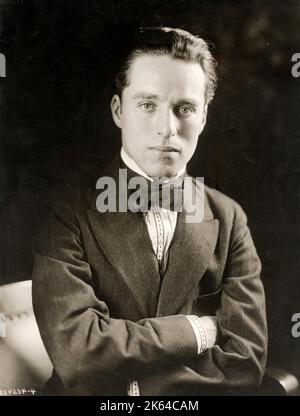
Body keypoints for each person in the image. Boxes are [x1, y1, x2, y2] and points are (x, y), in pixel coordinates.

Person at [32, 27, 267, 396]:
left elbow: (245, 365)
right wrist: (198, 330)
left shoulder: (229, 217)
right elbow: (78, 354)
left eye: (185, 109)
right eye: (147, 105)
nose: (167, 128)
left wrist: (138, 384)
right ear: (118, 111)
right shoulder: (66, 213)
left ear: (203, 117)